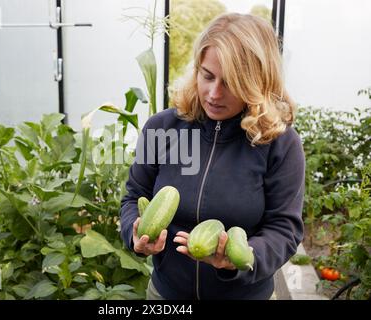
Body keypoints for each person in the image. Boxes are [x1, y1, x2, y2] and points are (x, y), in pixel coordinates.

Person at [120, 13, 305, 300]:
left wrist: (241, 260)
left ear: (256, 82)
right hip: (166, 295)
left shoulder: (280, 144)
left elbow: (285, 229)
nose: (214, 93)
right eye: (207, 75)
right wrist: (134, 234)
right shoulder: (162, 128)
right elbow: (135, 195)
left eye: (230, 82)